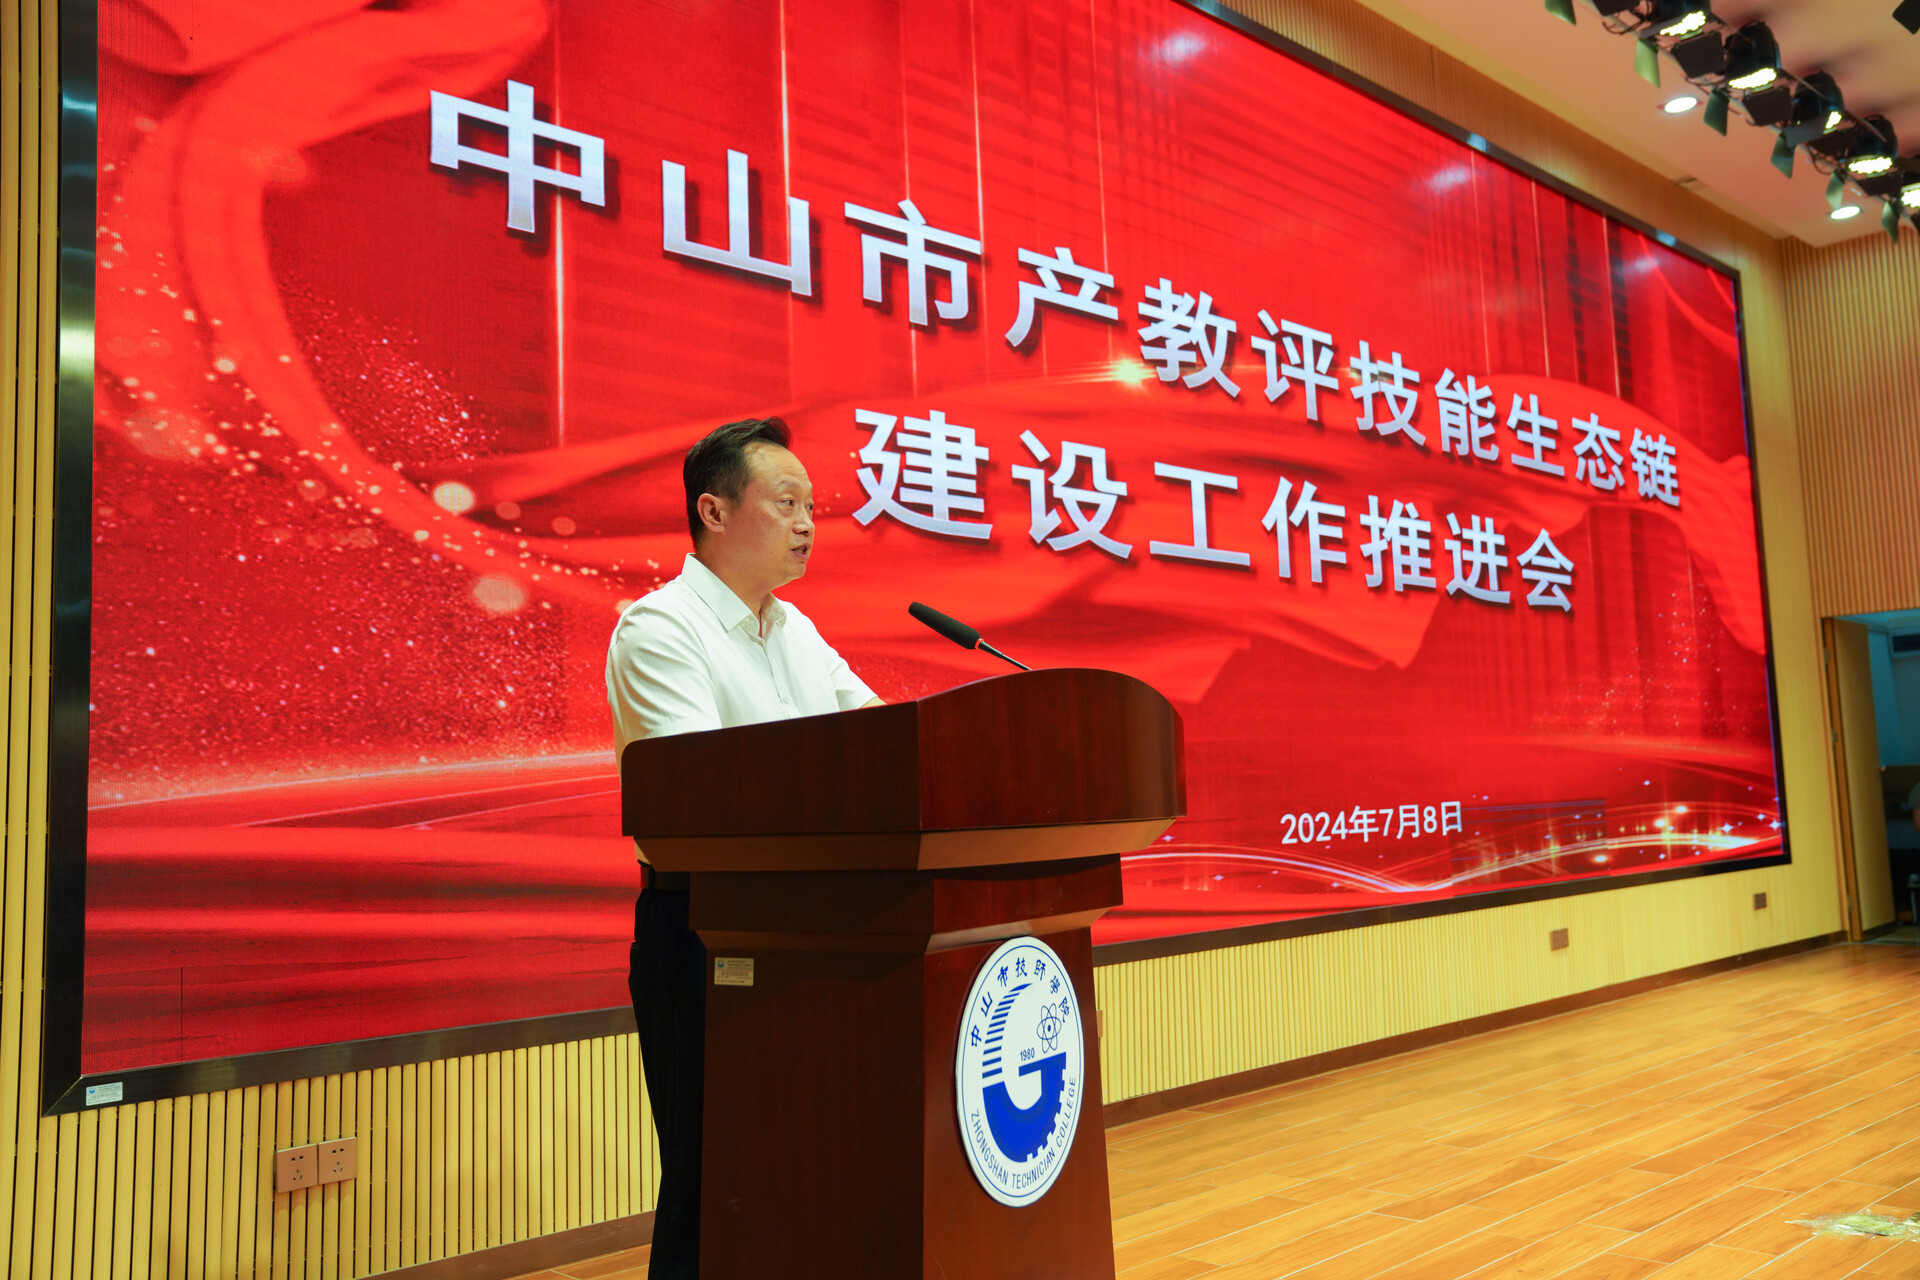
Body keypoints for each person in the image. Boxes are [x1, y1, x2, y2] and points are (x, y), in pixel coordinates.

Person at [604, 416, 880, 1280]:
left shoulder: (795, 630)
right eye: (787, 502)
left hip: (812, 928)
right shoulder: (660, 628)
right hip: (704, 927)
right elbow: (707, 794)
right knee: (714, 1175)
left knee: (803, 1163)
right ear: (714, 511)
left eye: (812, 507)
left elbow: (882, 744)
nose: (807, 523)